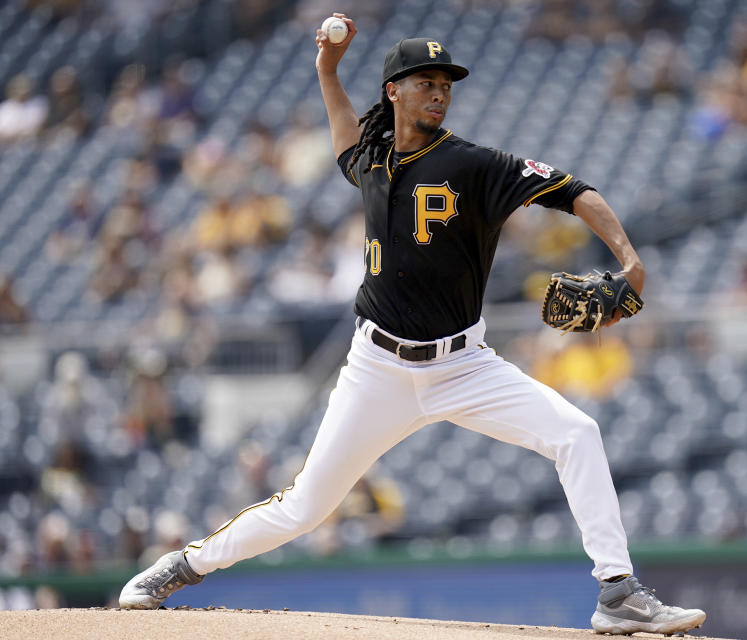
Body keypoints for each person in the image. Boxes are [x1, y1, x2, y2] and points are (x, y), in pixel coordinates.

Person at [118, 14, 706, 636]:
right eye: (425, 80)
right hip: (375, 367)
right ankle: (183, 565)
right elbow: (346, 137)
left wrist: (630, 260)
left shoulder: (476, 164)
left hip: (464, 364)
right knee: (305, 509)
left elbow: (575, 191)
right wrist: (326, 71)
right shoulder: (372, 161)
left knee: (577, 432)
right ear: (393, 91)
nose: (439, 91)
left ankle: (617, 594)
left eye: (445, 83)